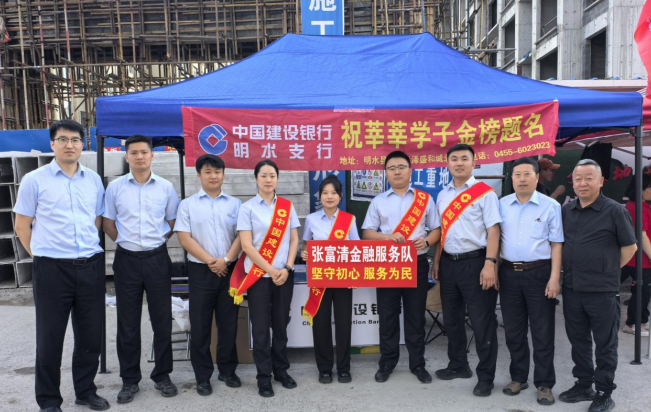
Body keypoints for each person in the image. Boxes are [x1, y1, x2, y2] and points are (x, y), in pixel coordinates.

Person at [13, 119, 110, 412]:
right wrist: (40, 256)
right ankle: (49, 401)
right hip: (52, 270)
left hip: (90, 266)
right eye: (63, 139)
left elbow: (96, 219)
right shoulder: (34, 180)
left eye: (75, 140)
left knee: (90, 335)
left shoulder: (93, 180)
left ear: (82, 144)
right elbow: (22, 225)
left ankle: (85, 390)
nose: (70, 145)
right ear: (52, 144)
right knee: (50, 338)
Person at [103, 135, 180, 403]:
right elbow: (108, 222)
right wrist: (126, 243)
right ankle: (129, 380)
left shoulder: (166, 187)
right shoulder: (115, 187)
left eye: (144, 152)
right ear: (126, 156)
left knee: (162, 321)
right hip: (127, 261)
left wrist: (155, 242)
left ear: (152, 155)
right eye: (134, 152)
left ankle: (162, 375)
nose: (139, 156)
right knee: (127, 323)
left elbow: (172, 221)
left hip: (157, 259)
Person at [559, 159, 637, 412]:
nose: (582, 183)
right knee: (578, 340)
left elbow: (630, 247)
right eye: (578, 178)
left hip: (602, 291)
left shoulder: (614, 210)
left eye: (588, 178)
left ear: (601, 181)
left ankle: (604, 392)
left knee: (605, 343)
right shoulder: (567, 211)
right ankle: (584, 384)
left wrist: (608, 270)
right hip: (572, 288)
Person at [362, 150, 440, 384]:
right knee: (387, 316)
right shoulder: (378, 201)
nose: (397, 172)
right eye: (392, 168)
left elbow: (437, 229)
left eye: (401, 167)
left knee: (415, 316)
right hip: (387, 264)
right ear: (386, 173)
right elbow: (367, 233)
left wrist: (427, 241)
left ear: (410, 171)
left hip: (416, 263)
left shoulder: (424, 199)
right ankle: (387, 363)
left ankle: (418, 364)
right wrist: (387, 237)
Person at [432, 143, 501, 397]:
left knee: (482, 322)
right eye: (454, 159)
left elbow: (494, 230)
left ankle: (486, 377)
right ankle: (458, 364)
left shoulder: (485, 193)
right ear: (447, 163)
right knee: (451, 319)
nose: (459, 163)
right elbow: (442, 231)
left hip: (477, 263)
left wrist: (490, 264)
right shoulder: (443, 195)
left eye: (464, 158)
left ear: (474, 163)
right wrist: (437, 261)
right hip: (448, 263)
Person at [175, 154, 242, 396]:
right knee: (201, 326)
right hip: (201, 271)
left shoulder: (235, 205)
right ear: (199, 175)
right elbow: (184, 238)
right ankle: (202, 376)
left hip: (230, 270)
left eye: (217, 171)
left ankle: (227, 370)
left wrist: (225, 260)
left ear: (223, 174)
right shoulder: (187, 205)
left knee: (228, 324)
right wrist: (211, 262)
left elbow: (242, 237)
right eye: (208, 172)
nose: (213, 176)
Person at [498, 157, 563, 406]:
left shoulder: (550, 206)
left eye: (527, 174)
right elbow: (495, 239)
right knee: (513, 331)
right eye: (517, 174)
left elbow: (556, 244)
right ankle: (518, 377)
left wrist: (554, 278)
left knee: (542, 332)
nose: (522, 179)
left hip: (539, 274)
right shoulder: (502, 205)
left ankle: (544, 384)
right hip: (508, 273)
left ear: (537, 177)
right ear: (512, 178)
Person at [236, 160, 300, 398]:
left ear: (277, 179)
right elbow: (246, 246)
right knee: (261, 329)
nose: (268, 179)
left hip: (284, 275)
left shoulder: (287, 206)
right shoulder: (247, 208)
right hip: (259, 278)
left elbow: (294, 239)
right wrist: (271, 270)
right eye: (263, 175)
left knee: (281, 325)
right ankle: (263, 377)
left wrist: (287, 267)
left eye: (272, 175)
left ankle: (281, 370)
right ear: (256, 178)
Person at [300, 175, 360, 384]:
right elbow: (306, 245)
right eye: (325, 193)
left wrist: (355, 276)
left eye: (333, 192)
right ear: (320, 196)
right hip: (320, 280)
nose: (329, 196)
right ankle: (324, 368)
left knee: (343, 325)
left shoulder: (349, 219)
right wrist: (305, 254)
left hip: (343, 279)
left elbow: (356, 248)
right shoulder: (312, 219)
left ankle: (344, 368)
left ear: (340, 196)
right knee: (321, 324)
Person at [620, 174, 651, 337]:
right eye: (650, 188)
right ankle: (633, 323)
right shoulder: (639, 207)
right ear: (640, 189)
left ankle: (641, 320)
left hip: (635, 257)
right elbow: (642, 236)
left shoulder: (633, 205)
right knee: (641, 292)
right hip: (640, 259)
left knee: (642, 291)